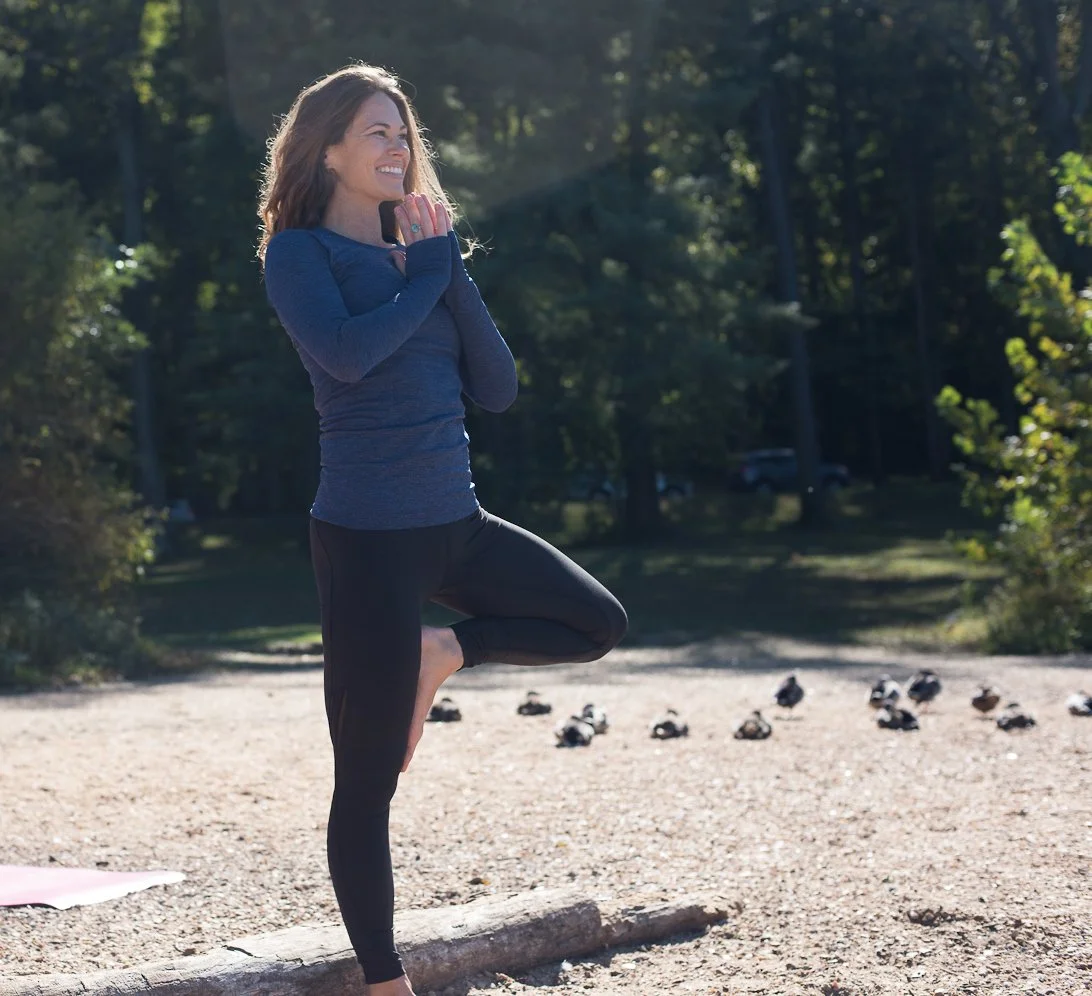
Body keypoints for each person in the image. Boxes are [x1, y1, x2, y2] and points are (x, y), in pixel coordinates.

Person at [256, 63, 628, 996]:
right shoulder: (298, 255)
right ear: (329, 149)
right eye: (376, 132)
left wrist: (443, 267)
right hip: (366, 541)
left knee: (597, 624)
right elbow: (346, 356)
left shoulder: (426, 260)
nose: (397, 146)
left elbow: (496, 388)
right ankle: (385, 982)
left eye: (403, 132)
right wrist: (426, 271)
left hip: (456, 523)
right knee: (367, 784)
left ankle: (445, 651)